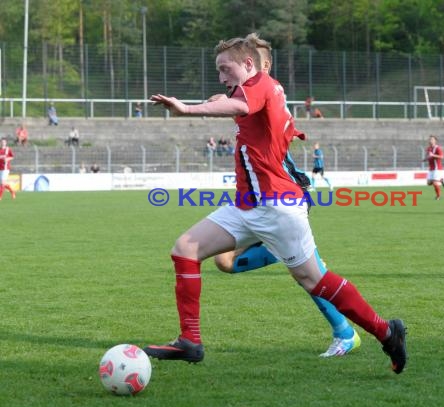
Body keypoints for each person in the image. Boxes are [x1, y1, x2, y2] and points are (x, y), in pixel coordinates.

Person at [144, 35, 407, 373]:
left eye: (226, 70)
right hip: (247, 206)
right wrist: (219, 104)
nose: (222, 78)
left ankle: (387, 333)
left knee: (314, 280)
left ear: (249, 65)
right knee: (185, 248)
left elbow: (241, 106)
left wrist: (188, 109)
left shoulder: (260, 85)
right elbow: (244, 111)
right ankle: (190, 341)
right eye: (219, 72)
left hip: (278, 206)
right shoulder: (261, 89)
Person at [207, 34, 361, 358]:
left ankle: (346, 333)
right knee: (224, 262)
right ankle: (286, 255)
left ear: (265, 67)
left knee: (312, 277)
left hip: (283, 197)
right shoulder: (251, 94)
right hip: (257, 200)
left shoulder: (267, 94)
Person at [423, 135, 444, 200]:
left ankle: (438, 196)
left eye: (432, 139)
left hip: (437, 168)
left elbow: (442, 157)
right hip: (431, 168)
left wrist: (433, 155)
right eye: (430, 139)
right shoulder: (428, 148)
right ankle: (440, 180)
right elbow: (428, 156)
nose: (430, 141)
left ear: (435, 141)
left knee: (435, 183)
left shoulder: (438, 148)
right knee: (428, 183)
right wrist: (425, 159)